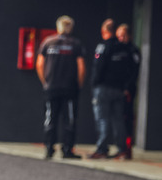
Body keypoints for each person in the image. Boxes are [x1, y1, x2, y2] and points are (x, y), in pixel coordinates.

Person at [35, 15, 86, 159]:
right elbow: (81, 67)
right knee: (69, 119)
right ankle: (67, 150)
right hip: (70, 88)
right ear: (71, 28)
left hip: (51, 87)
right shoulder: (75, 44)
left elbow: (39, 64)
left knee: (50, 118)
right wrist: (79, 84)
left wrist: (45, 82)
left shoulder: (48, 42)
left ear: (58, 27)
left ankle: (49, 149)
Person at [88, 17, 128, 159]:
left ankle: (102, 149)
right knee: (118, 120)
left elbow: (98, 67)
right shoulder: (123, 48)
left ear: (103, 31)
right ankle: (122, 149)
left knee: (102, 119)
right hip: (119, 89)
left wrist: (94, 84)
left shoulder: (103, 47)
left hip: (103, 88)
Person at [116, 23, 141, 159]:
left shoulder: (133, 51)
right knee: (117, 117)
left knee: (127, 117)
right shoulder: (117, 50)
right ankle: (120, 147)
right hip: (116, 90)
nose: (121, 38)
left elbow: (134, 72)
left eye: (123, 36)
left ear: (129, 36)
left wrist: (127, 88)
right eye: (119, 36)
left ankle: (127, 149)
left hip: (128, 90)